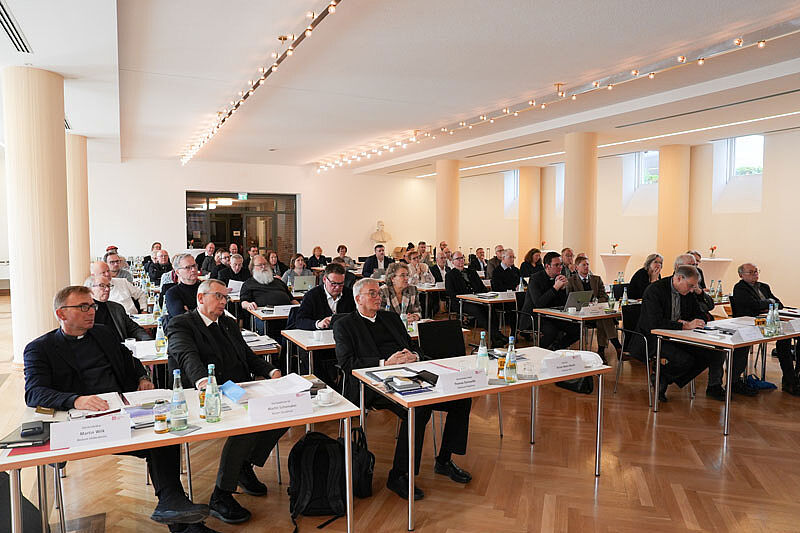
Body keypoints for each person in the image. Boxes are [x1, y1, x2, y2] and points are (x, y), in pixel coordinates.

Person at [24, 286, 213, 532]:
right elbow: (34, 392)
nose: (91, 311)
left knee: (164, 430)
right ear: (61, 314)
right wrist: (76, 399)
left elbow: (130, 361)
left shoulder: (103, 334)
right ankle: (173, 505)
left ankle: (173, 506)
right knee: (158, 441)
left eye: (92, 306)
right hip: (83, 421)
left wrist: (142, 378)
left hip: (124, 410)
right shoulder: (40, 348)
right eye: (83, 307)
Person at [334, 278, 472, 500]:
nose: (379, 297)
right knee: (418, 409)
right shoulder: (345, 324)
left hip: (409, 375)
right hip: (372, 384)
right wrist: (384, 363)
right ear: (358, 298)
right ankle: (398, 475)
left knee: (461, 399)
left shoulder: (390, 319)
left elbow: (414, 346)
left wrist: (414, 356)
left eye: (379, 293)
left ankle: (444, 460)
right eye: (372, 294)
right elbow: (347, 363)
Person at [167, 280, 286, 525]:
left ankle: (243, 465)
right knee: (248, 425)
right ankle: (221, 495)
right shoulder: (181, 324)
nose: (224, 301)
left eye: (225, 297)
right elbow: (187, 357)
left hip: (240, 389)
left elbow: (248, 357)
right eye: (218, 296)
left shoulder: (229, 323)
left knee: (283, 414)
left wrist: (272, 371)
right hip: (207, 393)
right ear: (201, 299)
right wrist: (204, 382)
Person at [636, 265, 726, 402]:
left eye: (693, 287)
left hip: (679, 335)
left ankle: (663, 376)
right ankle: (662, 377)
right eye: (690, 286)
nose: (691, 290)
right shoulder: (655, 290)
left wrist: (698, 321)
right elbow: (654, 322)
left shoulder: (687, 292)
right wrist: (683, 325)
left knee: (713, 352)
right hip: (653, 337)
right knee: (685, 360)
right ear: (678, 278)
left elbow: (701, 313)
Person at [732, 263, 800, 395]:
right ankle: (790, 380)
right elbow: (752, 305)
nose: (755, 274)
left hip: (772, 322)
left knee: (785, 340)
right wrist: (769, 303)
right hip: (751, 324)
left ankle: (792, 377)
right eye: (750, 272)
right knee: (781, 341)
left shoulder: (764, 286)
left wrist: (766, 304)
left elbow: (779, 304)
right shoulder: (740, 288)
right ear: (741, 275)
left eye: (756, 271)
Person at [294, 263, 355, 385]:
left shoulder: (350, 295)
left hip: (342, 342)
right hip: (319, 343)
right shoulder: (312, 295)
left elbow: (356, 317)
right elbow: (299, 320)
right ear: (324, 280)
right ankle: (327, 387)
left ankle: (347, 389)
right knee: (308, 355)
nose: (337, 287)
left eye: (341, 284)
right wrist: (318, 323)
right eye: (333, 284)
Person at [522, 251, 581, 350]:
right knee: (551, 331)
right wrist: (555, 288)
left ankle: (555, 348)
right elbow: (539, 304)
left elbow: (561, 303)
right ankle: (539, 351)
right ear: (547, 266)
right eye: (556, 265)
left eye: (561, 264)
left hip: (553, 314)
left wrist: (564, 289)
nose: (560, 267)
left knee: (576, 329)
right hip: (534, 315)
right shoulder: (535, 279)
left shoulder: (559, 277)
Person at [445, 251, 506, 345]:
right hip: (461, 302)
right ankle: (496, 335)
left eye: (462, 258)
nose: (461, 260)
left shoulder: (471, 272)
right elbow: (451, 293)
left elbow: (482, 287)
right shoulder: (450, 275)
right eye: (458, 259)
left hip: (478, 299)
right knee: (477, 310)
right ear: (452, 262)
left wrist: (486, 295)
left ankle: (495, 338)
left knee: (490, 307)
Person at [567, 256, 621, 362]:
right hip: (581, 313)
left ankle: (603, 351)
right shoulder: (571, 281)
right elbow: (570, 299)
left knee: (603, 318)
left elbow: (604, 296)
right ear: (577, 267)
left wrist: (595, 303)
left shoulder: (596, 279)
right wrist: (586, 304)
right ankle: (616, 347)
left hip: (596, 310)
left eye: (587, 264)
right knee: (603, 318)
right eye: (583, 264)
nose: (586, 267)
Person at [85, 276, 150, 342]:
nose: (107, 289)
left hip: (121, 347)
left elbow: (134, 329)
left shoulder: (117, 308)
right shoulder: (84, 312)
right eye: (102, 285)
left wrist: (147, 340)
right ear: (89, 289)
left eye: (108, 285)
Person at [674, 254, 715, 321]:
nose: (694, 268)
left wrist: (700, 292)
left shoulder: (695, 281)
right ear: (678, 266)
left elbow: (710, 306)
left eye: (695, 265)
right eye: (690, 265)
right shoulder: (675, 284)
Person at [164, 253, 200, 324]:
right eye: (187, 267)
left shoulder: (206, 288)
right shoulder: (172, 293)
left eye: (194, 266)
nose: (193, 270)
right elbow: (181, 319)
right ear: (177, 272)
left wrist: (189, 312)